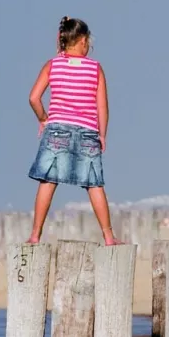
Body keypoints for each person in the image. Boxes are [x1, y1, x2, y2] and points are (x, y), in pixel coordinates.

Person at [26, 17, 116, 245]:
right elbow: (102, 106)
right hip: (87, 131)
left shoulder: (52, 65)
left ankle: (35, 235)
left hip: (56, 130)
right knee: (94, 184)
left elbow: (34, 98)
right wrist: (102, 134)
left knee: (47, 181)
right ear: (83, 41)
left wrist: (43, 119)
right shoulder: (95, 69)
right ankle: (108, 236)